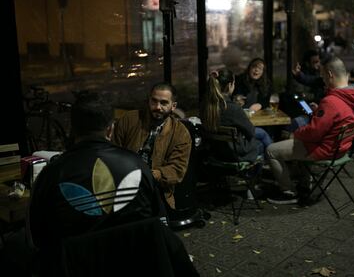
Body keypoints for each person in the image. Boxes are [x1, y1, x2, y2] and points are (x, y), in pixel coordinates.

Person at [28, 92, 167, 275]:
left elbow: (38, 237)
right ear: (110, 129)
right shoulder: (136, 165)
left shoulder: (52, 173)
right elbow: (157, 222)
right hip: (135, 264)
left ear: (73, 129)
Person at [266, 57, 354, 204]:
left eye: (323, 75)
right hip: (341, 148)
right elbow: (339, 118)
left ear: (330, 74)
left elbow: (313, 133)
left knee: (271, 150)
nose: (323, 79)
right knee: (299, 138)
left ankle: (288, 192)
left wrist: (295, 134)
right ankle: (304, 184)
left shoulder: (331, 101)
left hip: (324, 149)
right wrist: (319, 112)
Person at [112, 82, 192, 210]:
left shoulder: (180, 133)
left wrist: (150, 175)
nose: (157, 107)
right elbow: (113, 152)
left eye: (164, 103)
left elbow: (177, 170)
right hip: (123, 183)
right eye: (154, 101)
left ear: (173, 106)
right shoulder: (130, 119)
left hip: (156, 189)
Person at [200, 69, 261, 162]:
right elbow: (251, 132)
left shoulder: (205, 106)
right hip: (234, 155)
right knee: (261, 141)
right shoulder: (232, 108)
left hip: (215, 152)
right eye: (234, 83)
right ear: (229, 85)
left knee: (261, 134)